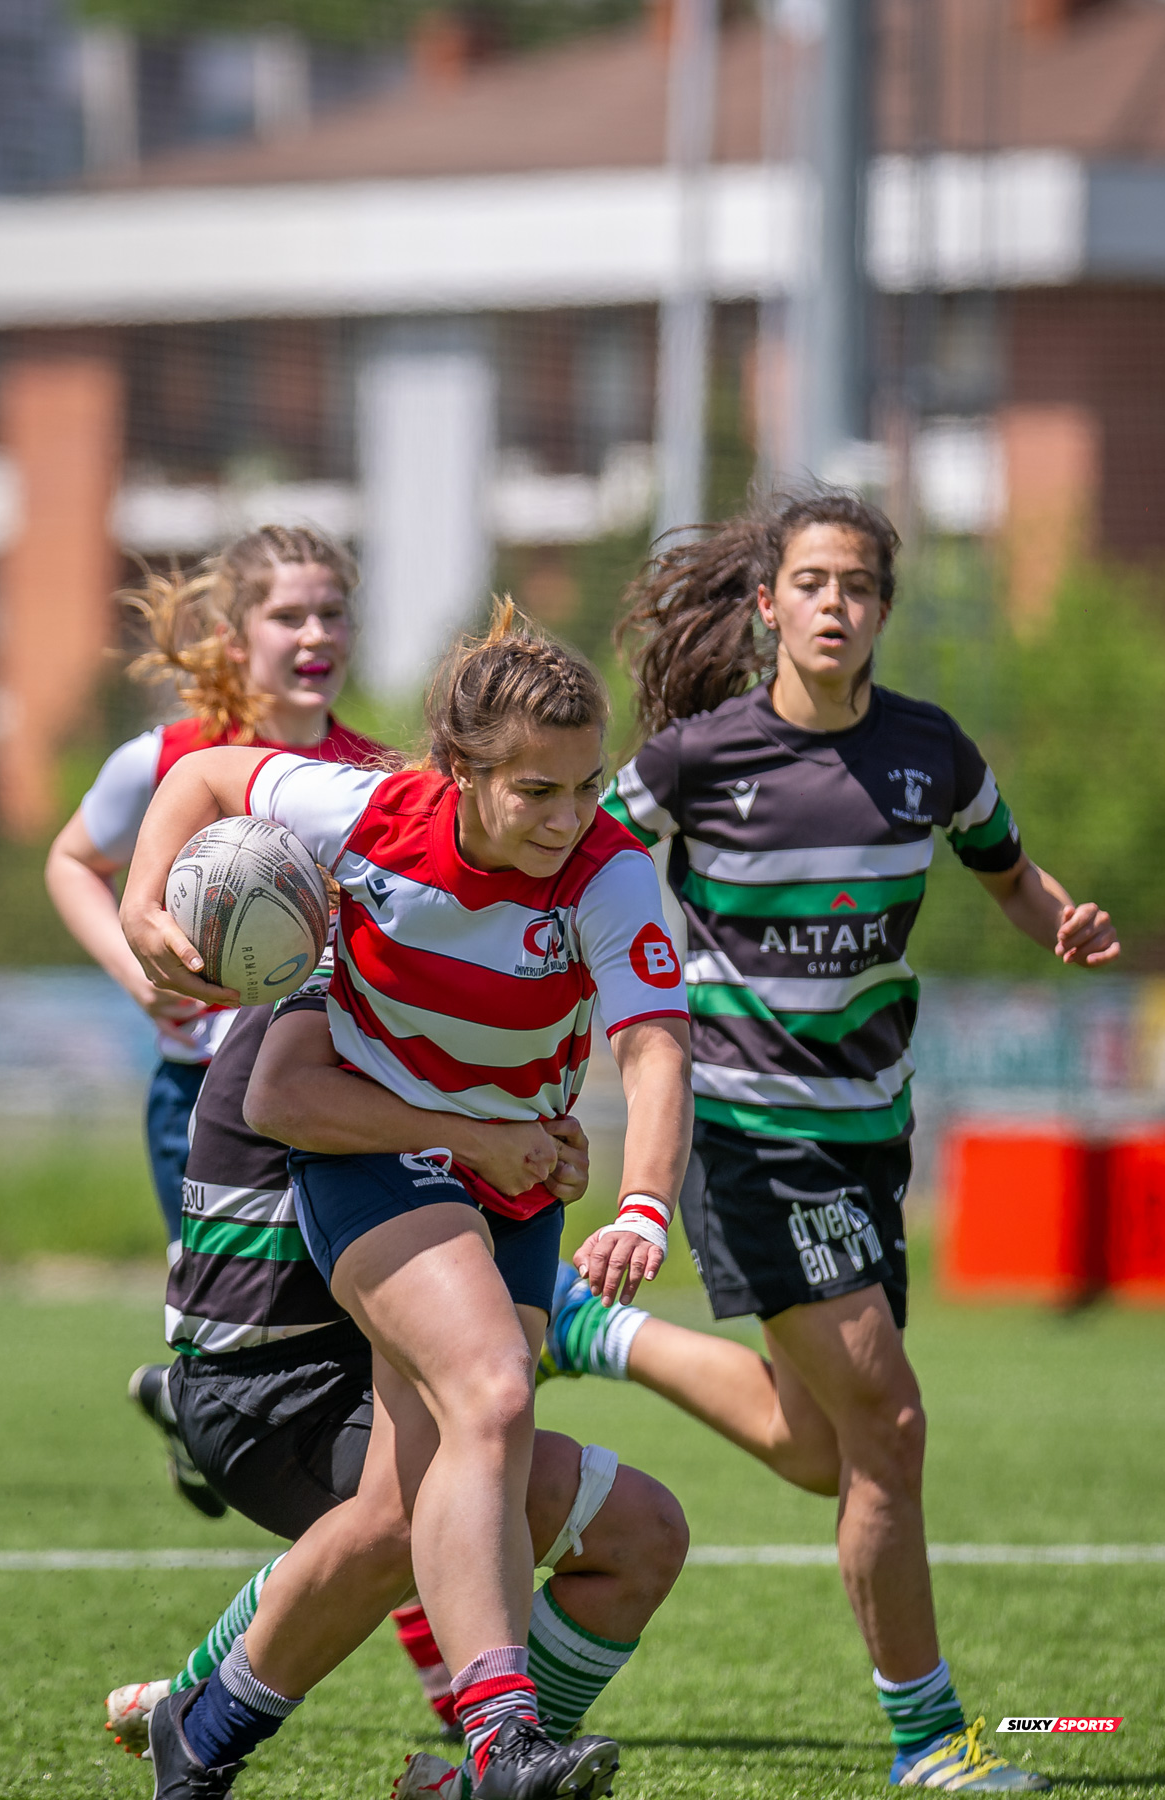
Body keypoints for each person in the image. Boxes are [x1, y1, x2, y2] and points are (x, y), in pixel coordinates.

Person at [589, 491, 1119, 1793]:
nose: (835, 605)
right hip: (748, 1139)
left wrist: (1052, 919)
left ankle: (583, 1333)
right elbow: (575, 867)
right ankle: (929, 1743)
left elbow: (1001, 865)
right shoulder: (694, 761)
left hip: (870, 1137)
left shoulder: (926, 753)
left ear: (882, 608)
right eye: (812, 583)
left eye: (858, 586)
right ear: (765, 604)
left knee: (817, 1446)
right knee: (889, 1424)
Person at [119, 603, 694, 1800]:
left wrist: (641, 1202)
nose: (568, 816)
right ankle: (499, 1744)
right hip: (377, 1162)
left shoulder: (607, 872)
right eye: (535, 791)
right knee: (489, 1389)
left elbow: (652, 1047)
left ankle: (203, 1731)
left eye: (586, 786)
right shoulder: (369, 815)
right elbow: (208, 773)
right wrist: (140, 907)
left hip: (516, 1190)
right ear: (460, 774)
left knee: (396, 1509)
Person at [106, 968, 687, 1774]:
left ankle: (485, 1770)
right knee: (432, 1498)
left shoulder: (424, 985)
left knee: (639, 1532)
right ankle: (206, 1725)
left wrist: (538, 1155)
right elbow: (290, 1110)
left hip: (346, 1369)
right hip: (270, 1391)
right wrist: (486, 1143)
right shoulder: (346, 993)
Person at [45, 525, 385, 1296]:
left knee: (338, 1319)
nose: (315, 634)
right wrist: (137, 971)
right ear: (233, 638)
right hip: (200, 1086)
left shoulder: (370, 778)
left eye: (332, 614)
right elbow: (71, 862)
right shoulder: (165, 760)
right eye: (289, 616)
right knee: (220, 1323)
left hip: (329, 1087)